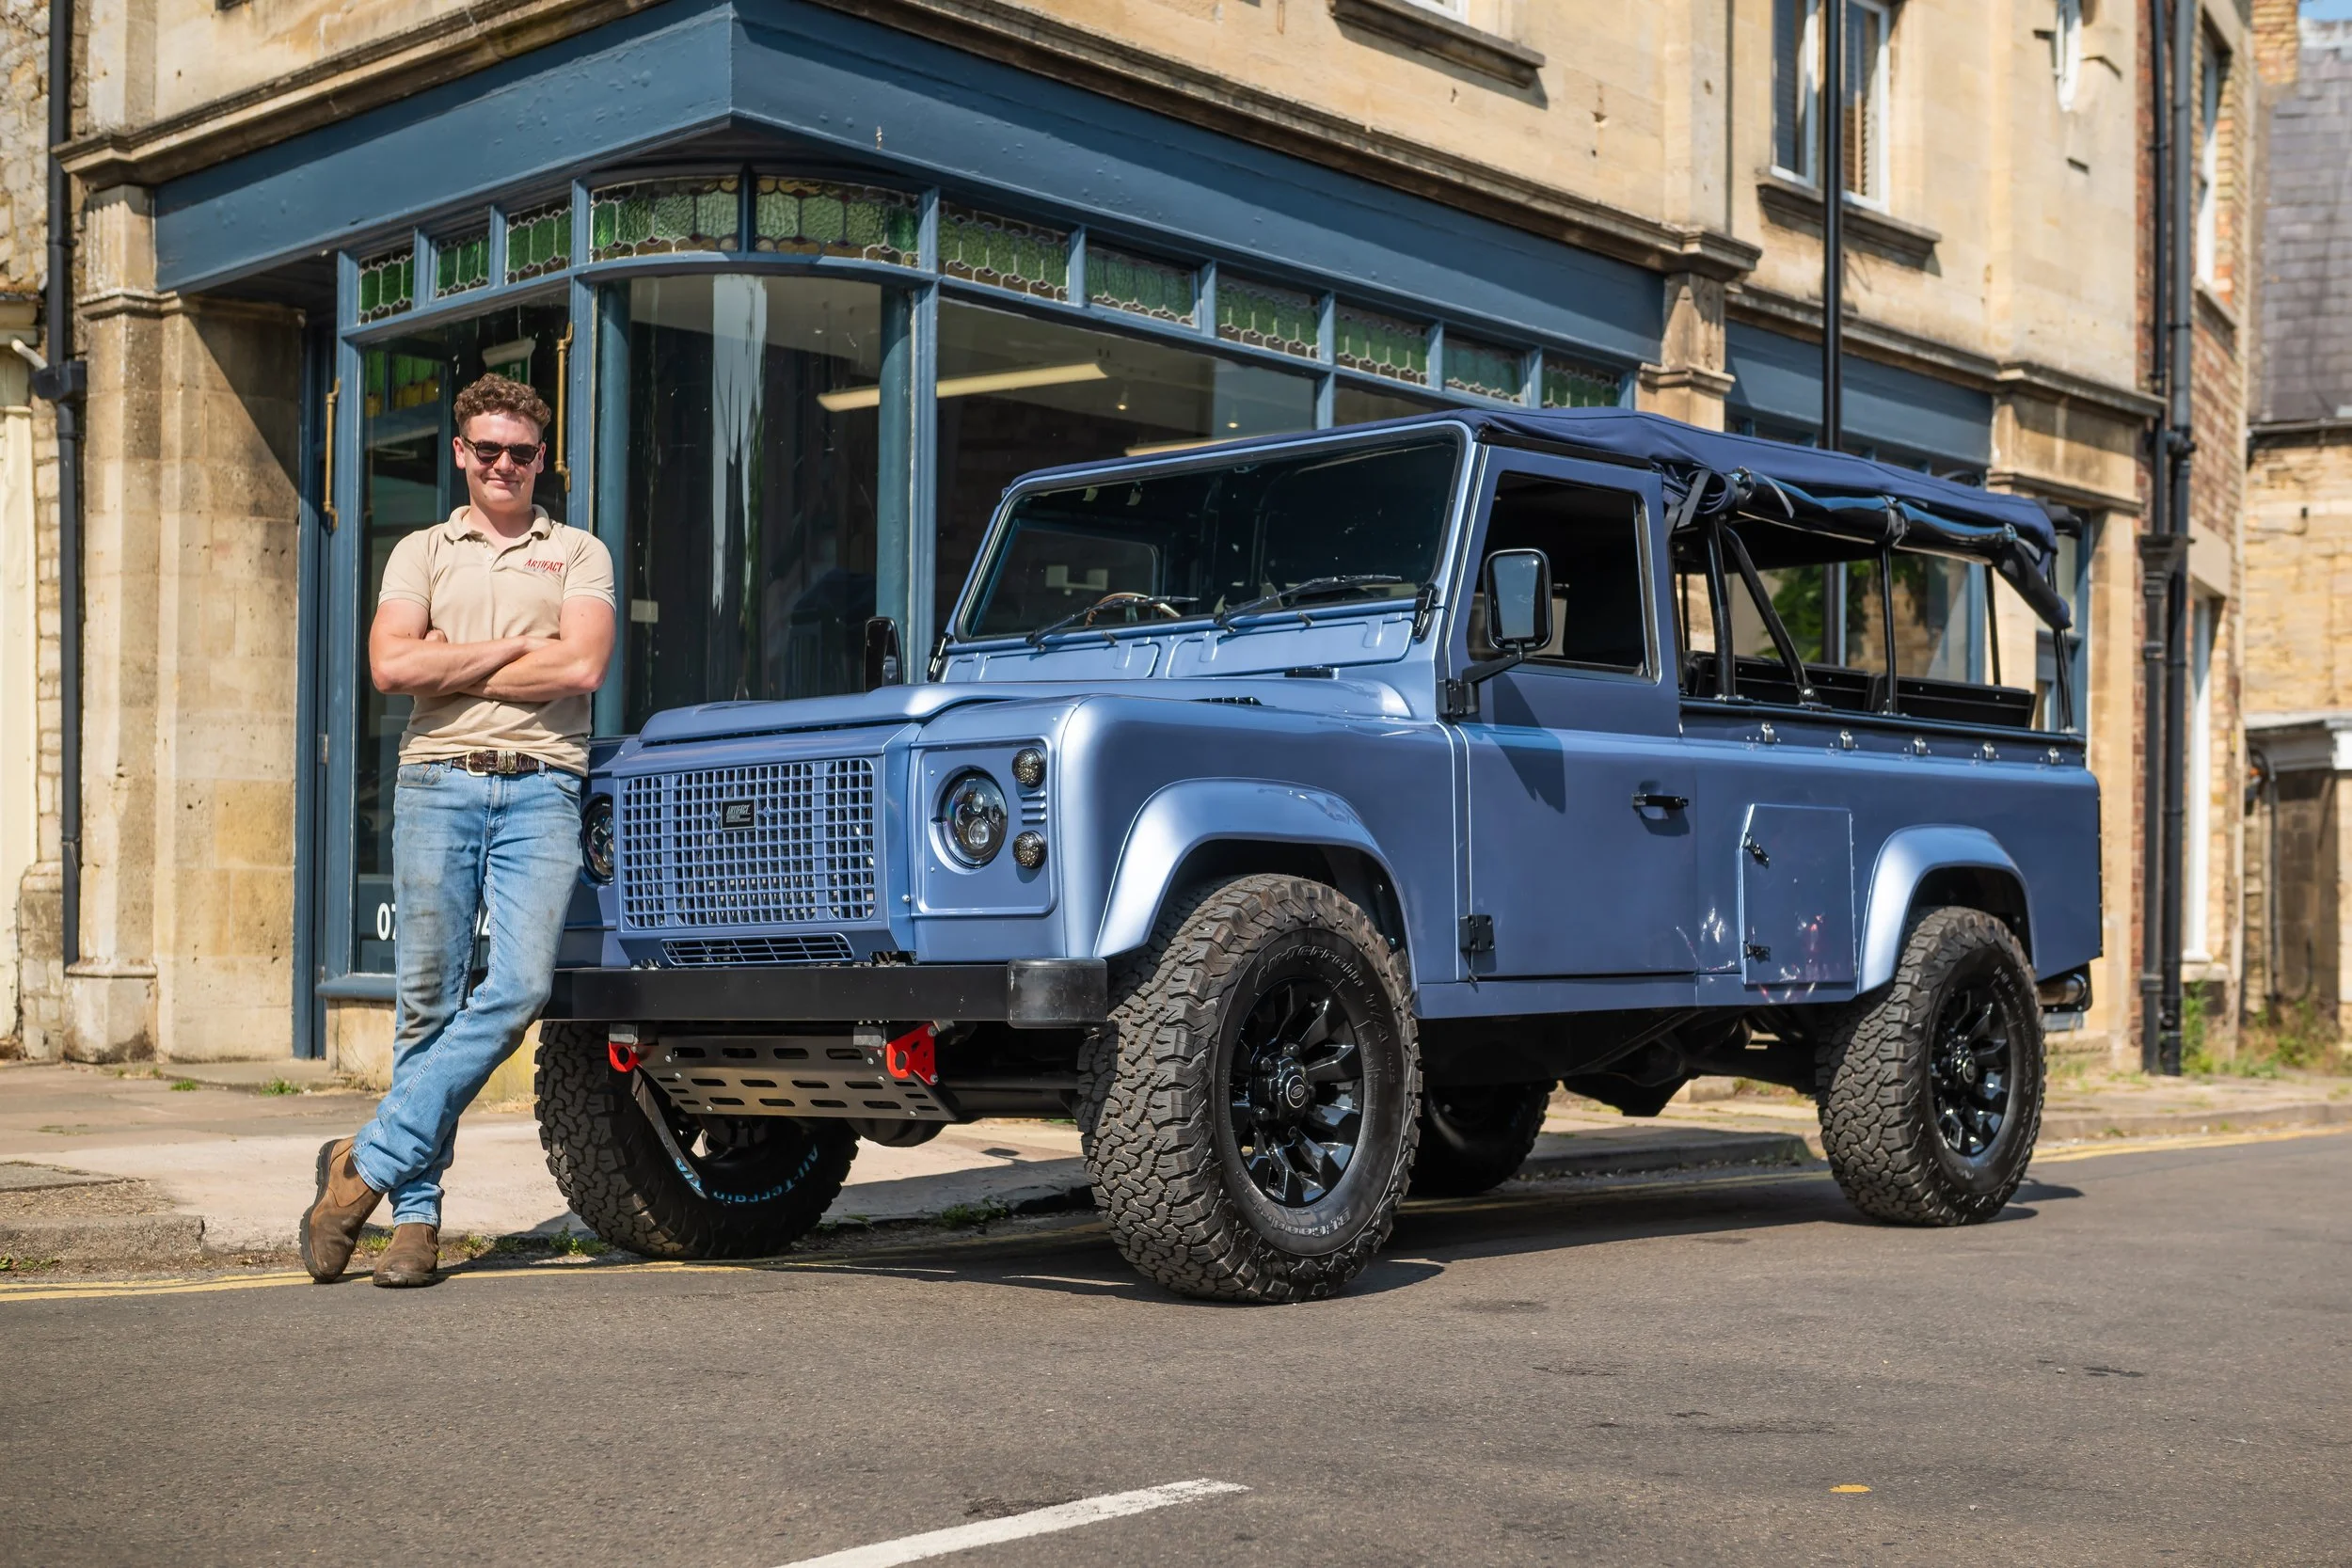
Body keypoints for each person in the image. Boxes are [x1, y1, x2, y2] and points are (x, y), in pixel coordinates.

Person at [300, 372, 614, 1288]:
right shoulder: (421, 552)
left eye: (520, 451)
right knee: (426, 1003)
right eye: (488, 450)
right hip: (437, 784)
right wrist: (522, 651)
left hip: (543, 789)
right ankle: (415, 1223)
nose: (504, 464)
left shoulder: (580, 554)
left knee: (518, 989)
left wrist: (454, 666)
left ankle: (360, 1165)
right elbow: (392, 663)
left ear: (540, 456)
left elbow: (585, 662)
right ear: (460, 455)